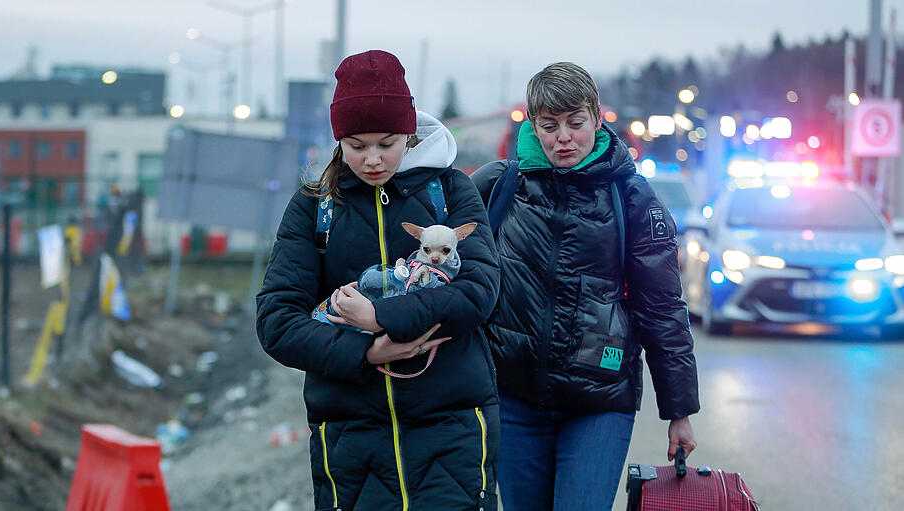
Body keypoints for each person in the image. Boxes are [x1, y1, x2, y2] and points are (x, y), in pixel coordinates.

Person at [256, 50, 501, 511]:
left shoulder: (449, 191)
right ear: (338, 141)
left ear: (409, 133)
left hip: (452, 433)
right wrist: (366, 352)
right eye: (356, 144)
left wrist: (379, 317)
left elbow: (480, 291)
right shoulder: (315, 205)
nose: (371, 159)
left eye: (386, 142)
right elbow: (276, 322)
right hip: (351, 442)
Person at [471, 62, 700, 510]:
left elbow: (662, 308)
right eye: (549, 126)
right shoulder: (499, 186)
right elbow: (450, 271)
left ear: (596, 118)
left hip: (598, 403)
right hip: (512, 399)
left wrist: (679, 411)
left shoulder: (632, 197)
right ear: (534, 126)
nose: (563, 138)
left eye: (575, 123)